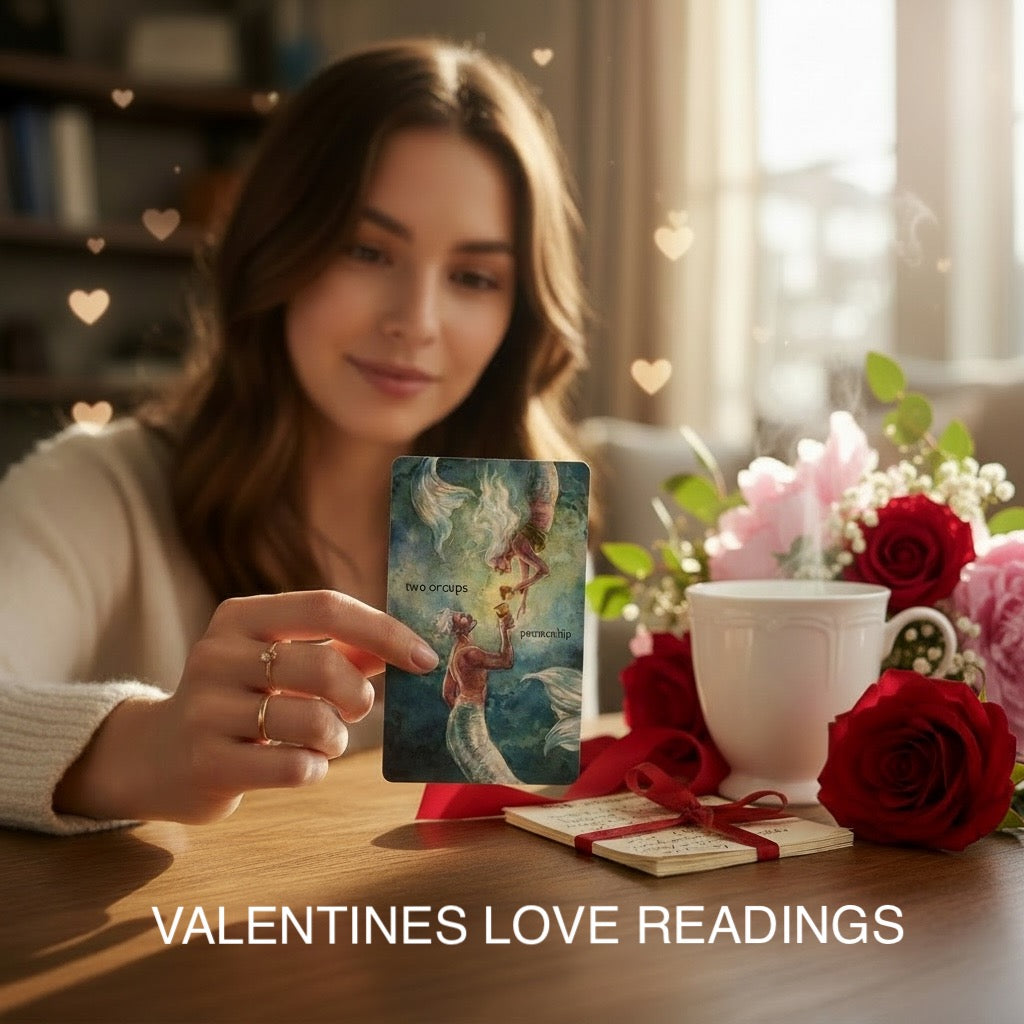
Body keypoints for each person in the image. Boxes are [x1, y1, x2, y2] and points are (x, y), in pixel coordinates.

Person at [0, 37, 589, 834]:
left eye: (473, 276)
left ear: (518, 314)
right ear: (276, 247)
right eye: (366, 250)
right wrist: (144, 748)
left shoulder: (532, 540)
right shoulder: (94, 491)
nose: (415, 321)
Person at [440, 606, 520, 784]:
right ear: (458, 629)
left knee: (487, 775)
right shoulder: (470, 653)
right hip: (470, 720)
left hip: (461, 720)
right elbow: (506, 661)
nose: (463, 614)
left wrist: (462, 713)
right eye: (459, 617)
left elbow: (447, 693)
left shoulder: (457, 651)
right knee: (496, 776)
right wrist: (504, 632)